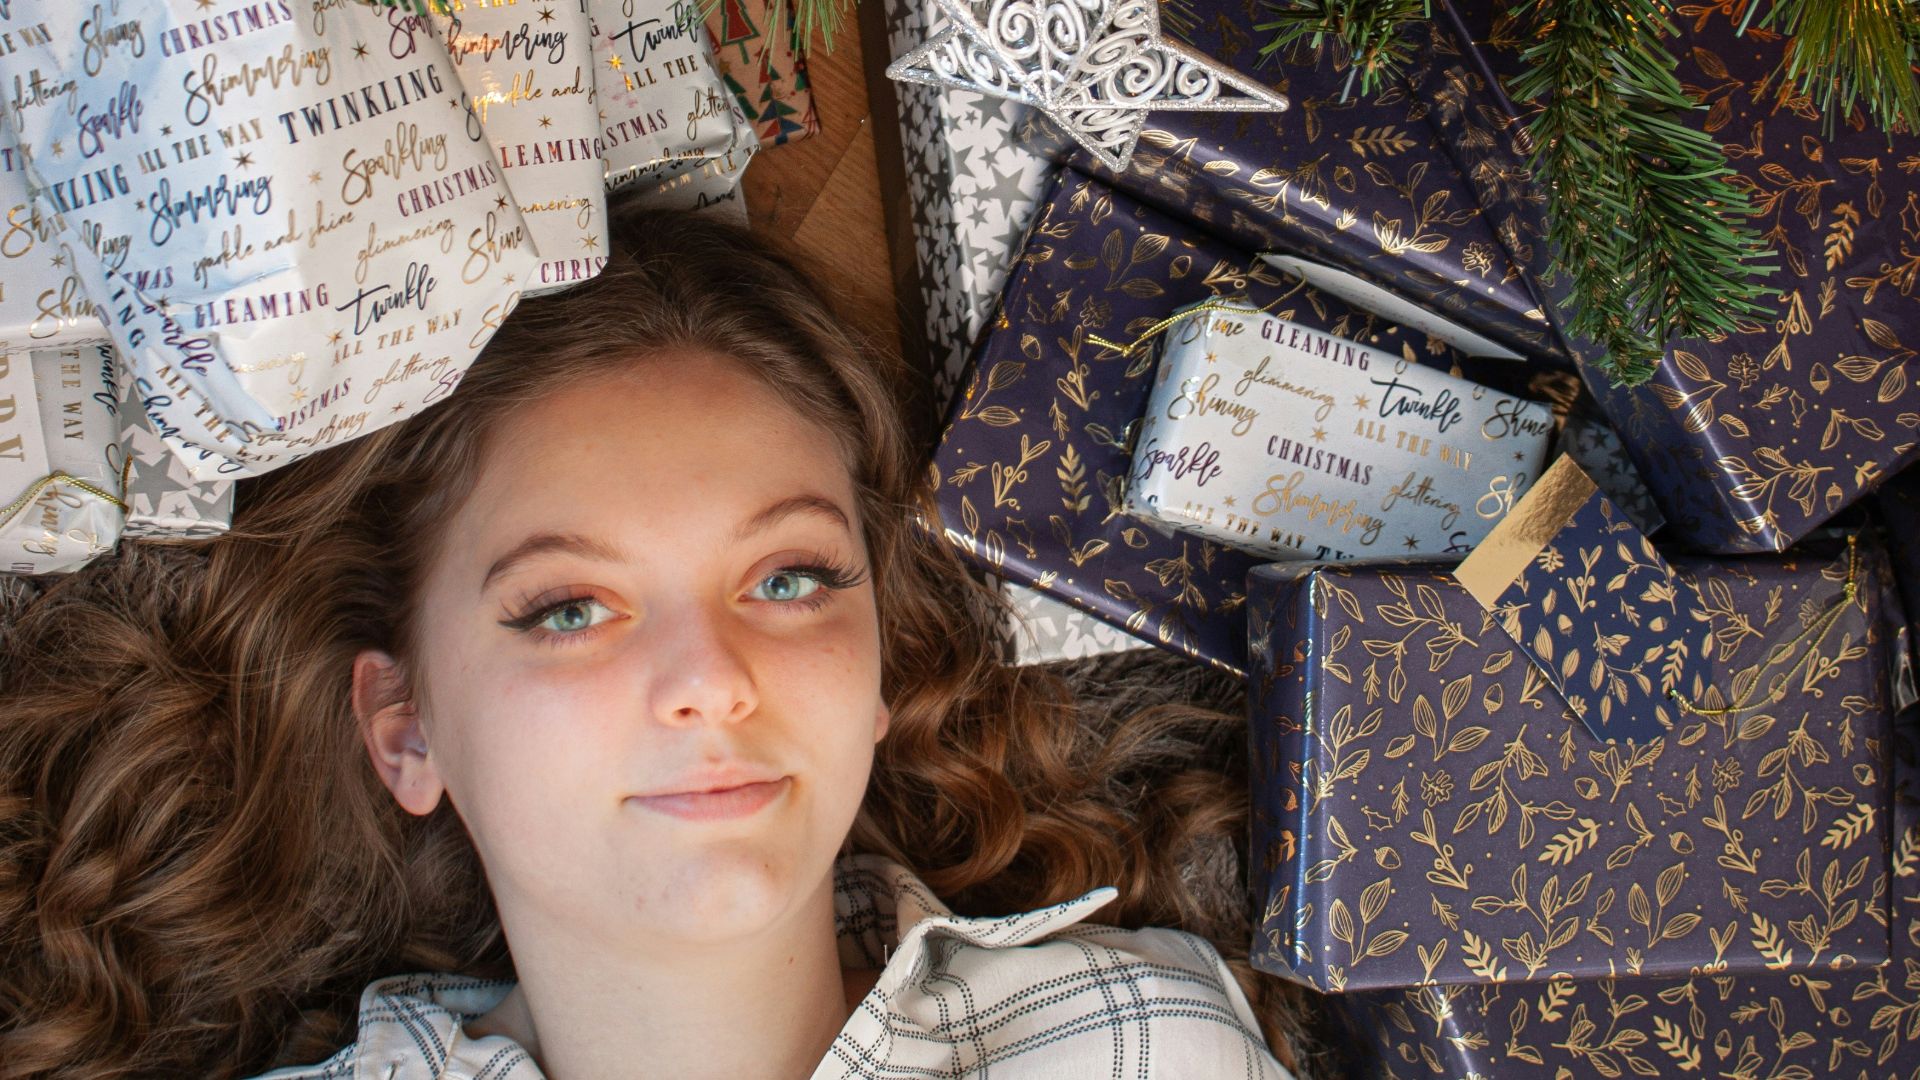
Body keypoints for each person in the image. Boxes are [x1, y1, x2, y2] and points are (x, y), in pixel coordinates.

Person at [0, 207, 1307, 1079]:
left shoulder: (1141, 1045)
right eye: (570, 609)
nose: (711, 681)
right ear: (407, 728)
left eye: (790, 579)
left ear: (874, 679)